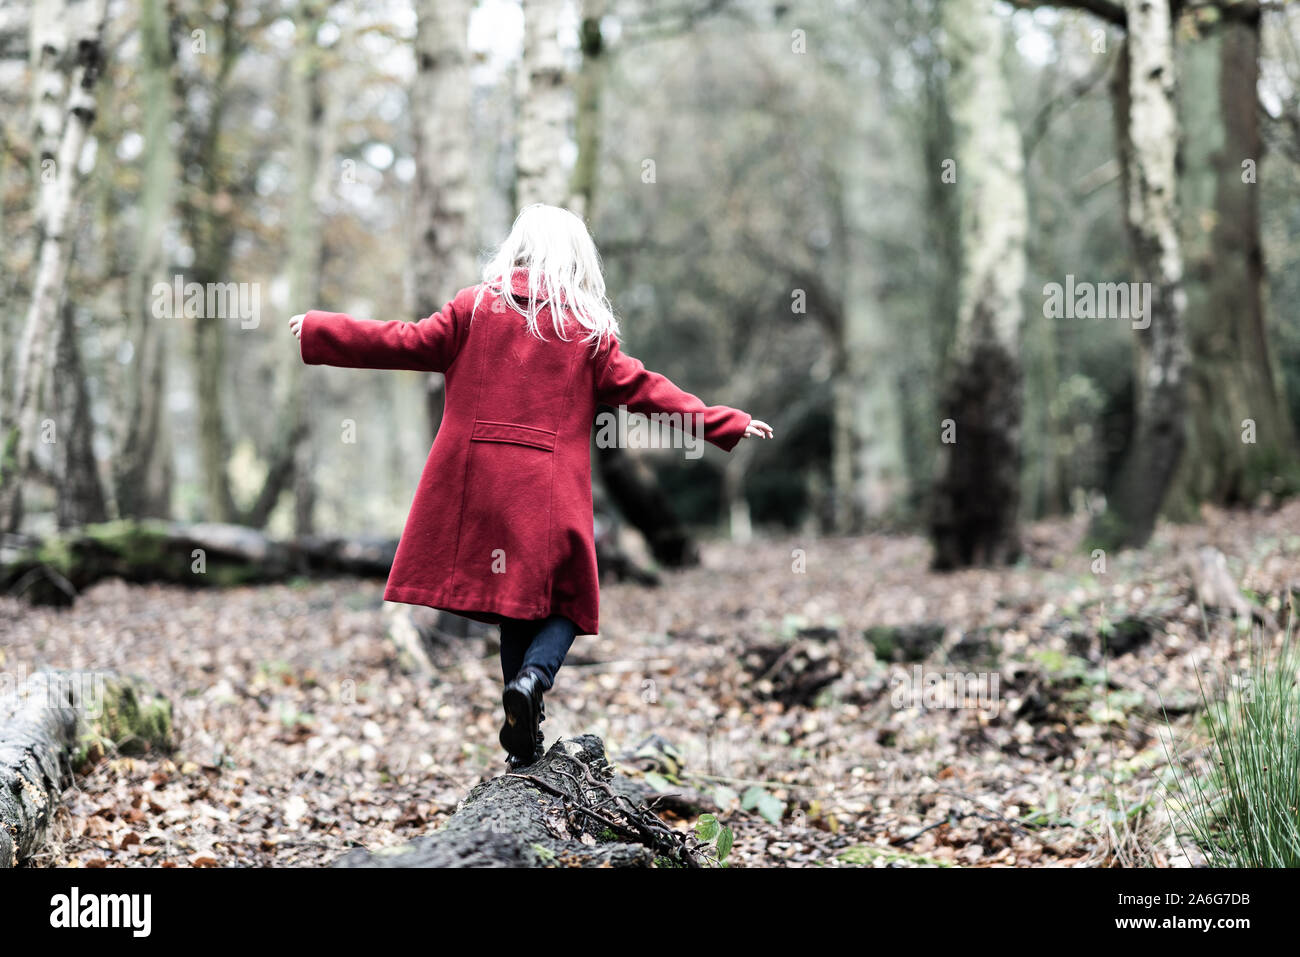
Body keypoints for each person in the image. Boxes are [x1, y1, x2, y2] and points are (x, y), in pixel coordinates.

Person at [289, 203, 772, 769]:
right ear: (577, 261)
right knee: (569, 596)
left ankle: (523, 726)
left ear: (516, 248)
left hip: (476, 484)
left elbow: (402, 341)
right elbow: (649, 392)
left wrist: (323, 330)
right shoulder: (585, 333)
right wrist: (722, 422)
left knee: (515, 603)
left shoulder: (473, 308)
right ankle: (534, 680)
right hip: (545, 489)